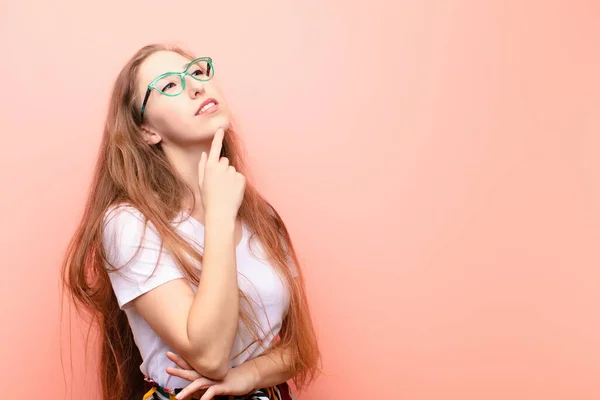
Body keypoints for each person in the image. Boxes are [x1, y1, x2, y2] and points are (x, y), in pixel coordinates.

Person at [61, 43, 321, 400]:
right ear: (146, 131)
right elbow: (210, 356)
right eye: (169, 85)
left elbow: (300, 349)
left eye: (198, 72)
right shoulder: (129, 224)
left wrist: (245, 377)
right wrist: (218, 218)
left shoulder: (264, 218)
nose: (197, 86)